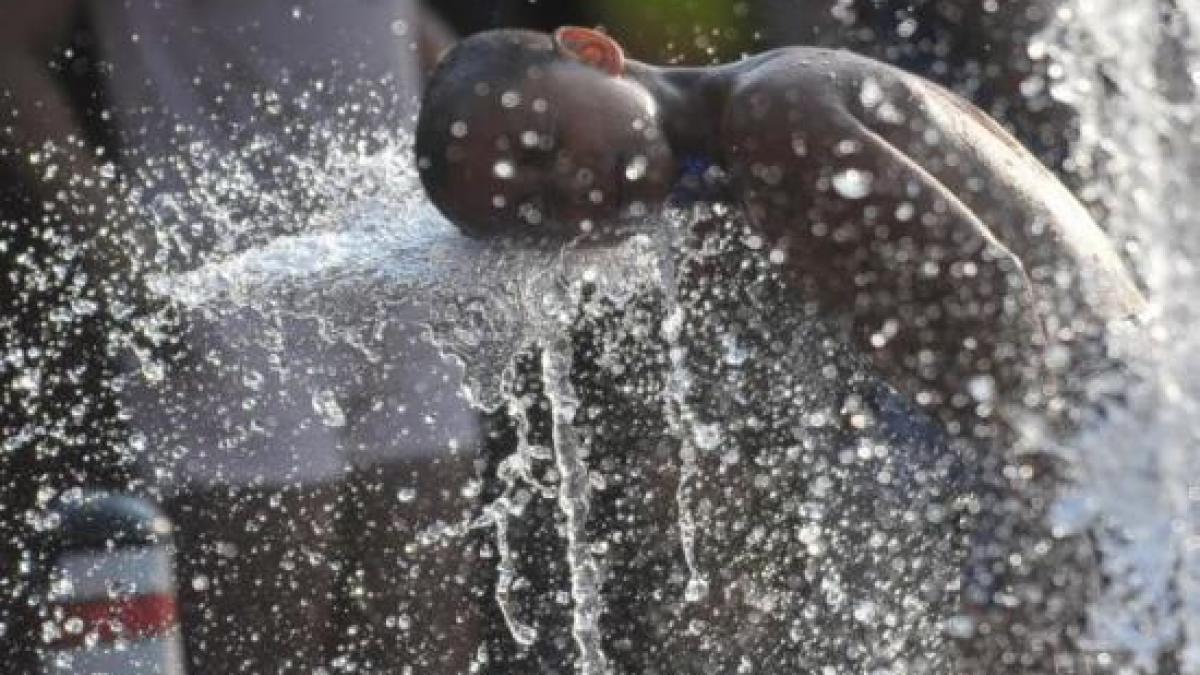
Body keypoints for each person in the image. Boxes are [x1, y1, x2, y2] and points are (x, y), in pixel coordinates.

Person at [414, 26, 1146, 670]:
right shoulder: (742, 139)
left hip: (1096, 425)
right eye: (540, 215)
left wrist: (1030, 531)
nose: (571, 189)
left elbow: (996, 292)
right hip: (1104, 413)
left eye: (544, 145)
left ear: (594, 52)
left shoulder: (773, 117)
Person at [0, 2, 485, 672]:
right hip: (229, 293)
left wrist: (512, 97)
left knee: (422, 644)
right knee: (262, 645)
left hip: (410, 268)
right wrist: (118, 251)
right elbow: (10, 51)